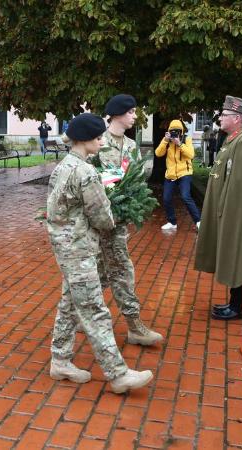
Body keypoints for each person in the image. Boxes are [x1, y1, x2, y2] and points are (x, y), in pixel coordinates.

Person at [46, 113, 153, 394]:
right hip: (79, 250)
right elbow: (103, 218)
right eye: (97, 137)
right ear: (85, 140)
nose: (101, 140)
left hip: (65, 246)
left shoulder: (62, 167)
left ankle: (60, 360)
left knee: (70, 304)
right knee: (94, 310)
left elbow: (54, 212)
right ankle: (118, 374)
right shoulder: (86, 172)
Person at [91, 94, 163, 346]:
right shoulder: (98, 141)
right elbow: (89, 177)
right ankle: (134, 327)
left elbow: (135, 179)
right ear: (118, 113)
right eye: (131, 112)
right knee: (120, 270)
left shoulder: (132, 145)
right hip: (97, 220)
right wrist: (114, 179)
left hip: (119, 221)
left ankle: (76, 314)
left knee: (100, 272)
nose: (135, 116)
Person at [194, 96, 242, 321]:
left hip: (237, 215)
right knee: (233, 255)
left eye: (224, 115)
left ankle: (241, 306)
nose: (220, 118)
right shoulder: (233, 139)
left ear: (237, 118)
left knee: (240, 255)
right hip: (227, 212)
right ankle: (235, 302)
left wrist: (230, 216)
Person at [155, 119, 201, 230]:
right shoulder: (167, 141)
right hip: (170, 174)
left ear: (181, 131)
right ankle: (172, 222)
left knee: (186, 196)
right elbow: (158, 153)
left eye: (177, 131)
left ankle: (198, 221)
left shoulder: (186, 139)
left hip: (184, 173)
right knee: (166, 198)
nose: (175, 133)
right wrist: (165, 140)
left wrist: (179, 144)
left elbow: (190, 155)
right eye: (172, 131)